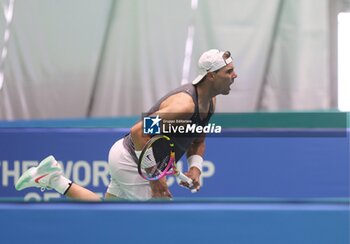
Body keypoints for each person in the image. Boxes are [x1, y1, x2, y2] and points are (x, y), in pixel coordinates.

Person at [15, 49, 237, 201]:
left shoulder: (210, 102)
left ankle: (54, 179)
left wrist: (195, 167)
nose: (234, 75)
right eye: (228, 72)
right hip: (131, 160)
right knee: (161, 223)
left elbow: (197, 138)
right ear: (210, 76)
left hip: (134, 158)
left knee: (108, 215)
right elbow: (139, 131)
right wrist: (155, 179)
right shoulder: (184, 106)